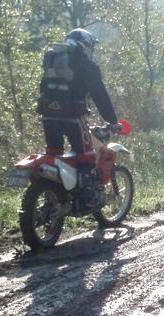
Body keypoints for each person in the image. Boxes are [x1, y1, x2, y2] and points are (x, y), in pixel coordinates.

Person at [37, 28, 118, 211]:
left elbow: (43, 87)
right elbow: (100, 95)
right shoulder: (87, 65)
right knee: (86, 156)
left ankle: (54, 197)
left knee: (54, 154)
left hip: (48, 116)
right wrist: (112, 120)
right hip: (73, 117)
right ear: (85, 45)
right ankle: (87, 200)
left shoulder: (51, 59)